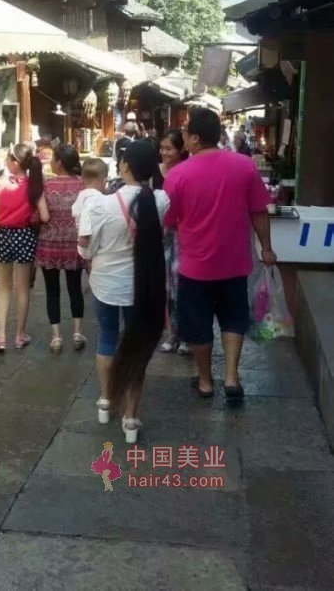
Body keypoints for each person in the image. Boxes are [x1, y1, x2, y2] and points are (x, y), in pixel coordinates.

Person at [164, 106, 276, 400]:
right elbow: (259, 211)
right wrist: (266, 247)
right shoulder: (244, 166)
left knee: (197, 325)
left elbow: (169, 220)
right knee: (233, 318)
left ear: (195, 138)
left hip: (195, 267)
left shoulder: (178, 175)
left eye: (186, 131)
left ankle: (205, 382)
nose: (183, 136)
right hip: (235, 264)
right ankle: (231, 378)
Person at [79, 141, 169, 443]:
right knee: (136, 348)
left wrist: (86, 250)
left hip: (106, 284)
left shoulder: (101, 205)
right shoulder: (160, 201)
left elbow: (88, 249)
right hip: (142, 288)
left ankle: (106, 401)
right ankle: (130, 418)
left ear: (126, 165)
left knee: (107, 338)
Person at [0, 143, 49, 353]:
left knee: (4, 287)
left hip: (1, 236)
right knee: (23, 289)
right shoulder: (34, 187)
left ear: (15, 163)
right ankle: (19, 336)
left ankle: (1, 336)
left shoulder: (0, 185)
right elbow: (45, 216)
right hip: (24, 237)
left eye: (7, 158)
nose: (5, 161)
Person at [35, 144, 85, 354]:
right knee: (75, 289)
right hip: (74, 245)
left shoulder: (45, 185)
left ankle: (56, 337)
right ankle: (77, 333)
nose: (50, 162)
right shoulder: (82, 185)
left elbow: (43, 216)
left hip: (49, 245)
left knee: (52, 292)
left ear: (60, 162)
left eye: (53, 158)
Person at [156, 130, 191, 355]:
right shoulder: (156, 170)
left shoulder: (187, 171)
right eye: (162, 148)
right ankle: (173, 331)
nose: (164, 152)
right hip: (162, 233)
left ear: (181, 150)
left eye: (169, 148)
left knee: (182, 284)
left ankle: (187, 334)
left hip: (182, 234)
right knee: (167, 285)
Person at [72, 157, 108, 246]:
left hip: (82, 236)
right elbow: (86, 213)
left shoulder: (82, 194)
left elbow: (76, 211)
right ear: (104, 181)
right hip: (89, 239)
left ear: (82, 179)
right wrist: (84, 235)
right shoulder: (94, 195)